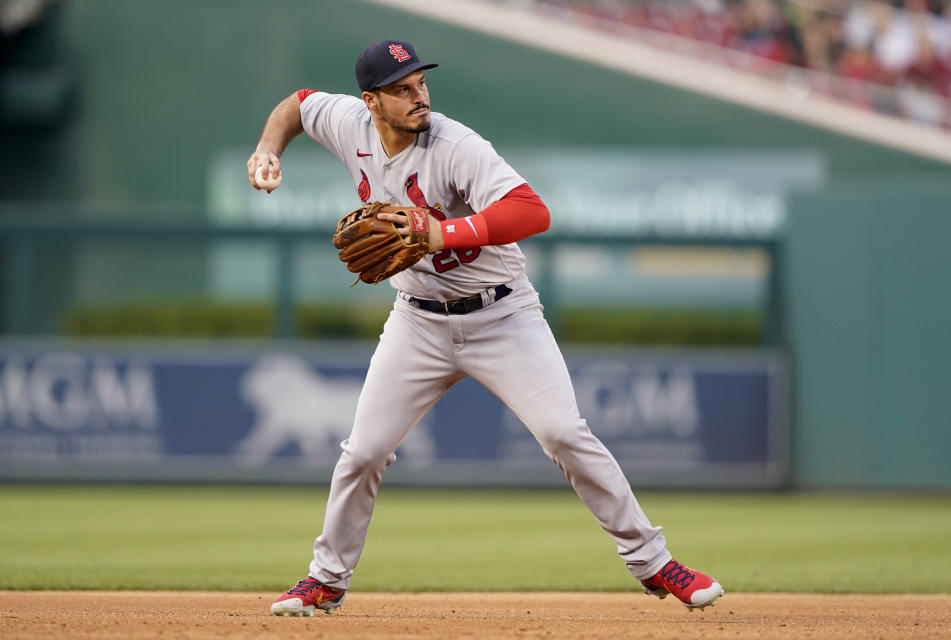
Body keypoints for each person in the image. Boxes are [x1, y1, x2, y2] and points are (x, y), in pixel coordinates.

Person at [247, 39, 724, 617]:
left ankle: (654, 564)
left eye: (421, 82)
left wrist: (440, 234)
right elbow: (296, 104)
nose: (418, 95)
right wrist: (268, 150)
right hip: (418, 321)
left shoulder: (455, 144)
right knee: (363, 451)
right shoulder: (349, 122)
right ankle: (325, 580)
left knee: (563, 433)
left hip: (503, 315)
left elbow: (532, 210)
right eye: (402, 89)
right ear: (371, 101)